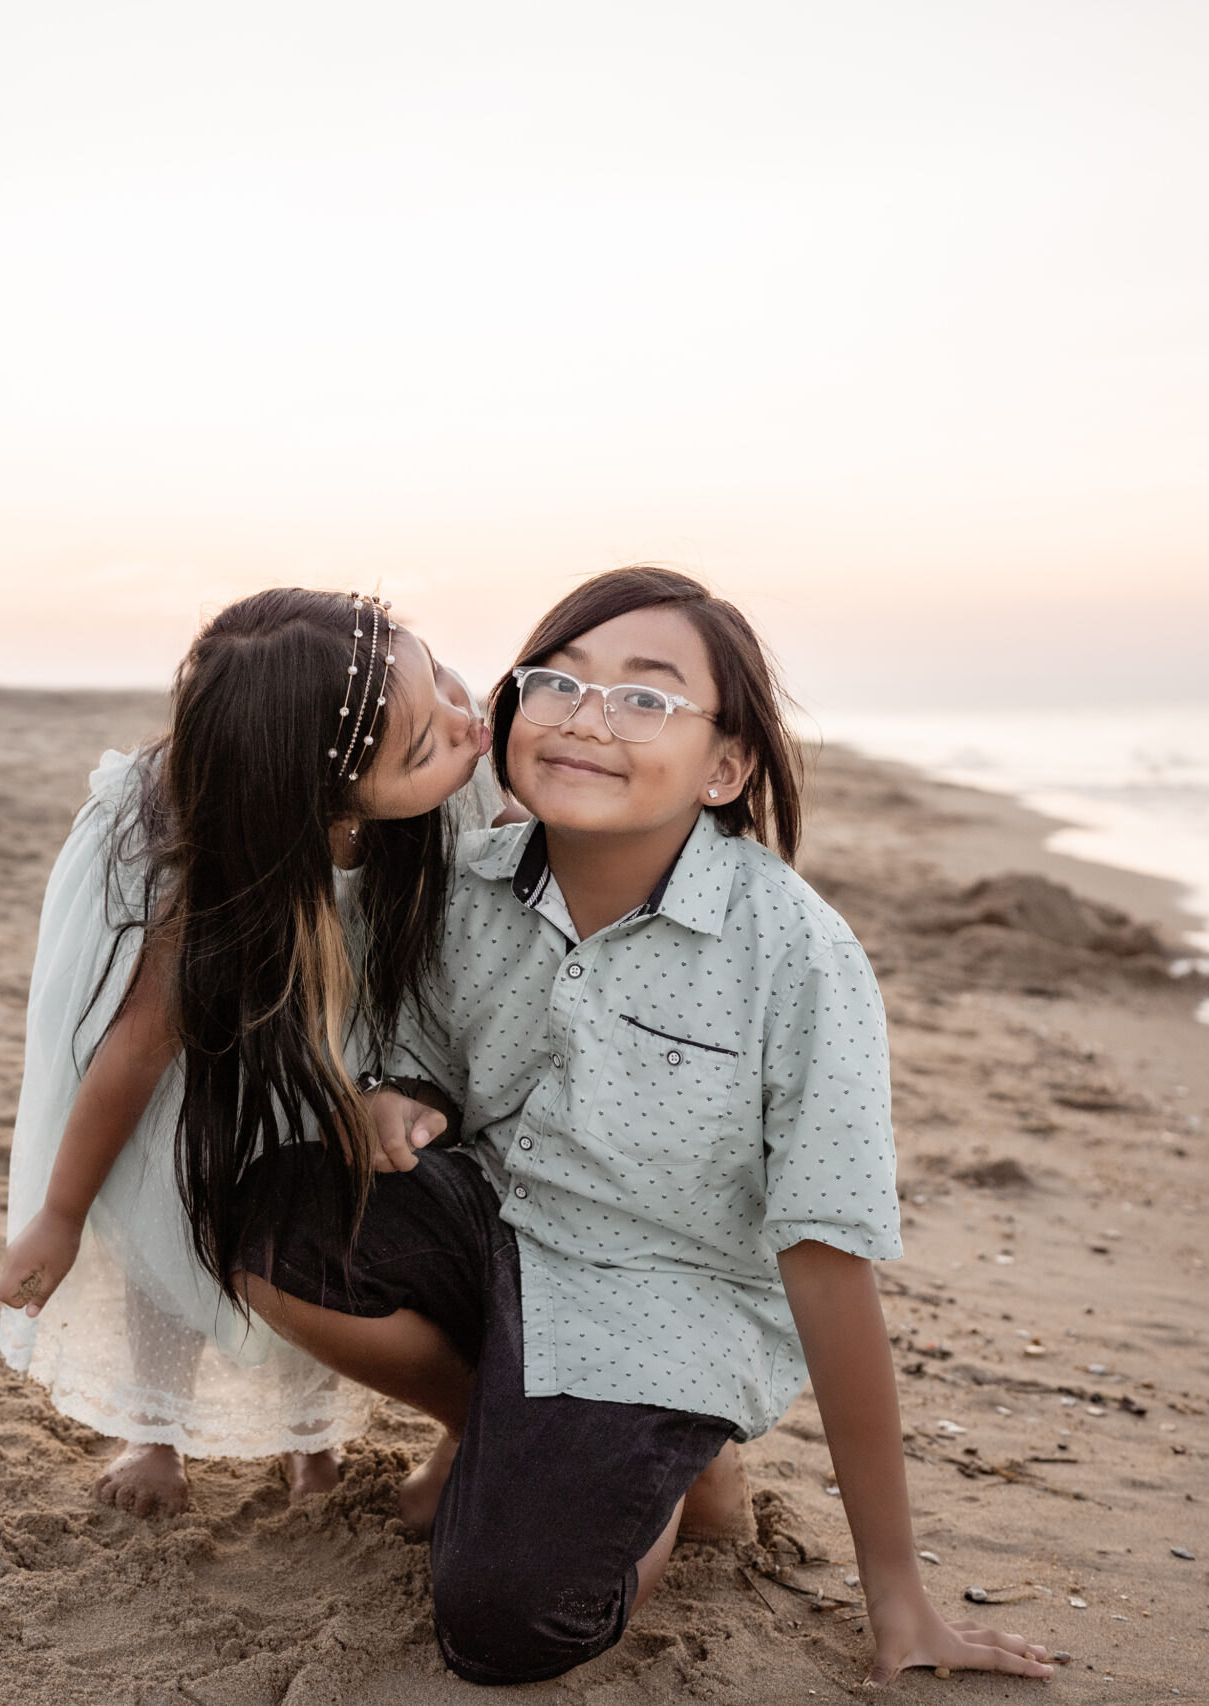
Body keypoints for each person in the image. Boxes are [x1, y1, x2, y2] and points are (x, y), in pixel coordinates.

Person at [230, 567, 1058, 1686]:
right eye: (558, 682)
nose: (586, 717)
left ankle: (681, 1448)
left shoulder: (795, 954)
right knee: (273, 1214)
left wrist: (897, 1592)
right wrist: (397, 1096)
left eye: (645, 696)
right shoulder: (458, 884)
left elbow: (825, 1261)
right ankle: (519, 1423)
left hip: (664, 1298)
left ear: (725, 765)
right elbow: (416, 1050)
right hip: (500, 1232)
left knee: (505, 1624)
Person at [0, 588, 497, 1515]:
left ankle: (315, 1446)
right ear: (320, 799)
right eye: (427, 744)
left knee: (326, 1214)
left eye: (449, 683)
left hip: (348, 1045)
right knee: (173, 1220)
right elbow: (133, 1056)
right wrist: (59, 1216)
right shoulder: (215, 880)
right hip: (215, 1067)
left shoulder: (435, 748)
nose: (468, 726)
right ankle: (156, 1434)